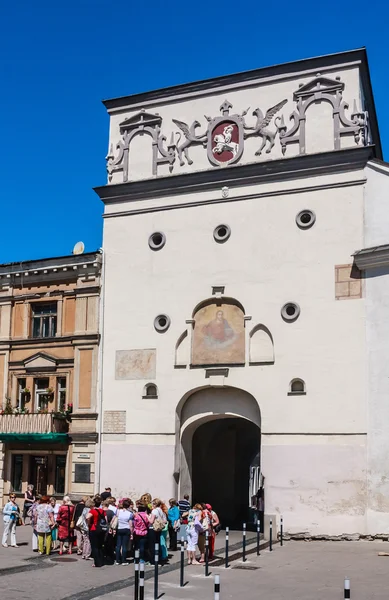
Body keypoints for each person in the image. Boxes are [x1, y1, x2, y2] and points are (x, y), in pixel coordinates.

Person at [87, 495, 106, 567]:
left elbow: (87, 517)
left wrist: (89, 523)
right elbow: (106, 520)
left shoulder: (93, 511)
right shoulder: (103, 511)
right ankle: (101, 561)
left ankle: (96, 562)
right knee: (100, 546)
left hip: (94, 529)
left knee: (94, 546)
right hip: (102, 529)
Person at [148, 498, 166, 565]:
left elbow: (151, 521)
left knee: (152, 545)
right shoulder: (161, 510)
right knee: (158, 544)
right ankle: (159, 559)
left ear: (155, 504)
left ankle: (153, 561)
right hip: (159, 529)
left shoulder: (154, 511)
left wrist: (147, 516)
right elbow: (165, 520)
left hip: (153, 529)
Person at [115, 499, 133, 565]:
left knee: (118, 545)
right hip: (126, 529)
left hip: (119, 528)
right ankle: (123, 560)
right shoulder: (130, 514)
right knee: (124, 545)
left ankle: (117, 560)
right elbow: (130, 524)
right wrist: (131, 533)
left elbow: (115, 519)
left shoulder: (118, 511)